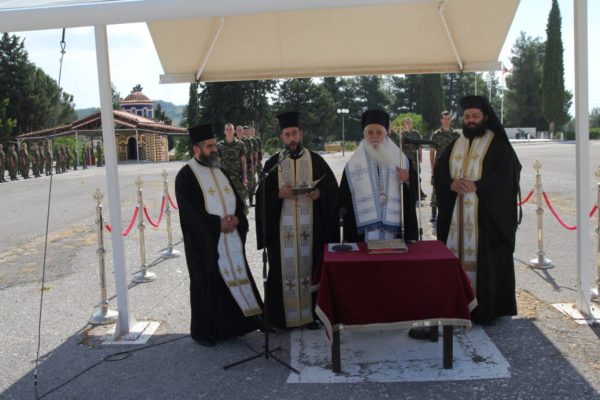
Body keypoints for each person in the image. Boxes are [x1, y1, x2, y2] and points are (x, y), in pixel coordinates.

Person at [434, 95, 521, 325]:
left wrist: (478, 186)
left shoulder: (497, 145)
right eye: (467, 116)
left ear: (485, 117)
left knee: (486, 264)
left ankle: (486, 310)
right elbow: (439, 173)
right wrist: (451, 184)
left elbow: (506, 178)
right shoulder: (456, 144)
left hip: (486, 220)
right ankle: (456, 305)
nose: (471, 120)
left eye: (475, 116)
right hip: (456, 218)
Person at [175, 124, 263, 346]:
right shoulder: (186, 176)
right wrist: (217, 225)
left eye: (215, 145)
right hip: (205, 245)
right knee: (207, 285)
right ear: (196, 149)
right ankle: (205, 332)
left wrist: (238, 219)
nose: (215, 149)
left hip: (230, 239)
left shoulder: (219, 170)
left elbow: (236, 201)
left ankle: (237, 326)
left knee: (233, 280)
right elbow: (191, 215)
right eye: (210, 146)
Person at [256, 111, 339, 330]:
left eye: (294, 133)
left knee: (311, 270)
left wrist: (319, 194)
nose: (291, 138)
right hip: (282, 235)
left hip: (310, 233)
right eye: (287, 134)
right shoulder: (273, 163)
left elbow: (333, 192)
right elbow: (261, 196)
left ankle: (311, 317)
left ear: (300, 134)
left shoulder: (316, 161)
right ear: (282, 137)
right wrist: (277, 194)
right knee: (281, 273)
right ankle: (281, 319)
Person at [339, 109, 418, 243]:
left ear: (386, 134)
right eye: (370, 132)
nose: (374, 136)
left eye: (379, 132)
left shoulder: (401, 160)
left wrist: (408, 179)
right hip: (363, 234)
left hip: (396, 230)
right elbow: (344, 197)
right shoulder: (352, 165)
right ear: (364, 135)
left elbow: (415, 186)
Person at [429, 111, 461, 224]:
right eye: (445, 118)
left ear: (451, 120)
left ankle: (450, 212)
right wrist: (432, 168)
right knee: (436, 189)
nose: (447, 120)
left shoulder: (456, 135)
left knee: (452, 188)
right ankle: (434, 213)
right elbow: (432, 152)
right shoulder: (436, 134)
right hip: (439, 167)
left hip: (453, 167)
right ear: (441, 120)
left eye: (449, 118)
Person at [217, 122, 248, 208]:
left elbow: (243, 162)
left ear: (234, 131)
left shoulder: (240, 144)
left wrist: (245, 176)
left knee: (241, 201)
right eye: (227, 129)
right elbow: (218, 163)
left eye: (231, 129)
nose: (229, 131)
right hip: (225, 178)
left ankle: (242, 216)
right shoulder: (219, 145)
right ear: (224, 131)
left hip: (238, 177)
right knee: (226, 201)